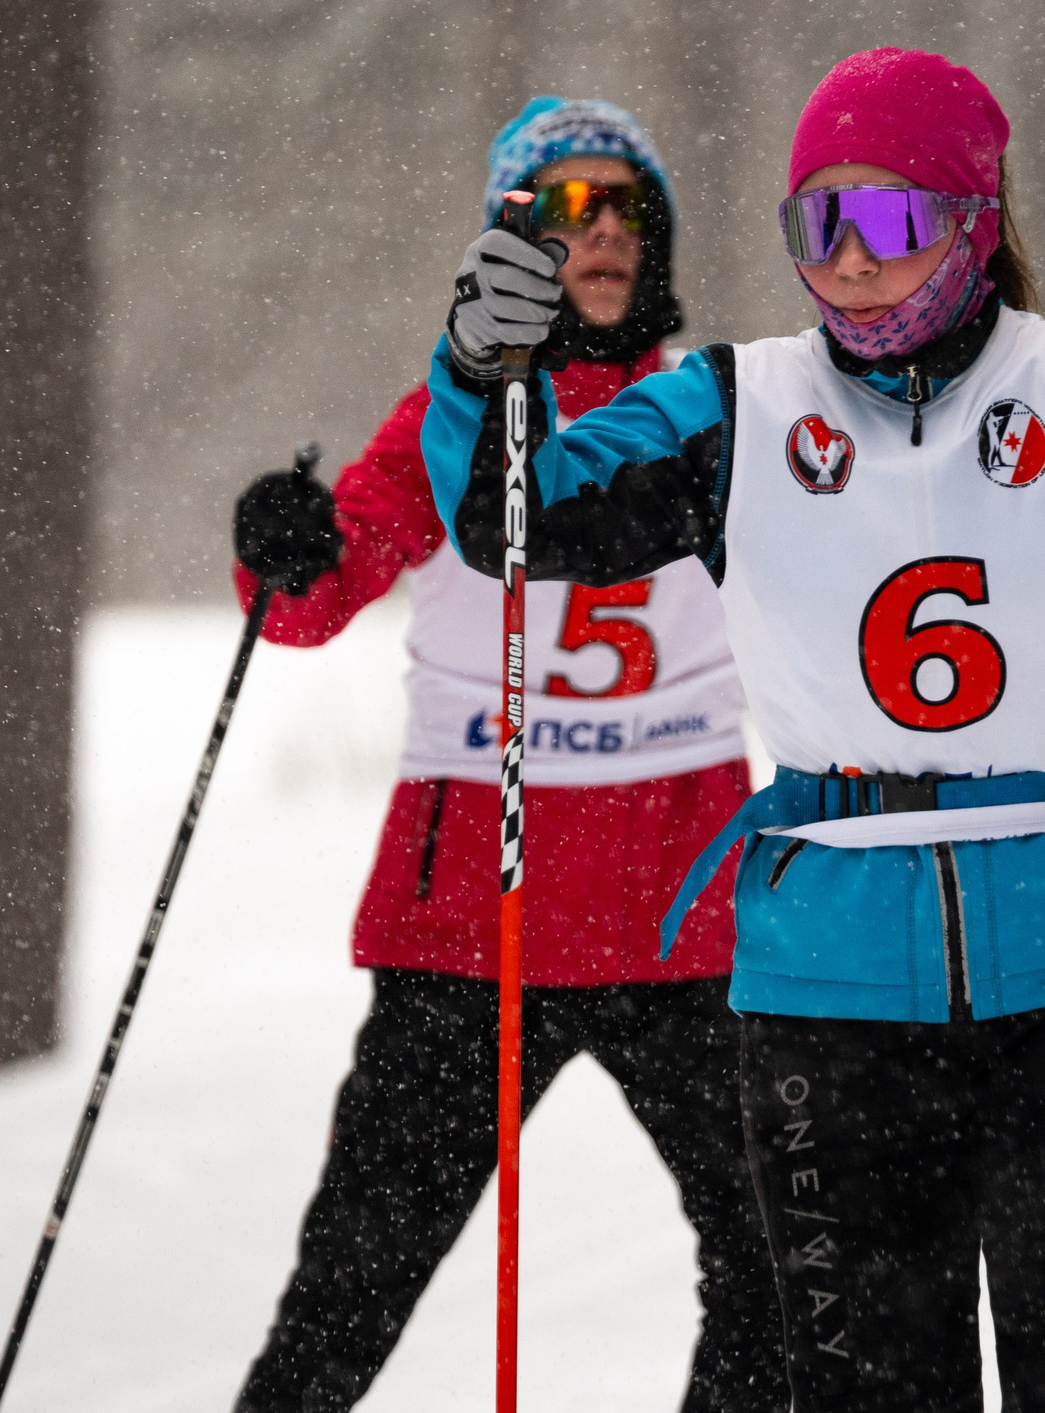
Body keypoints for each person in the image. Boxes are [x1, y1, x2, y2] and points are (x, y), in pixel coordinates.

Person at [425, 49, 1045, 1411]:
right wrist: (479, 366)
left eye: (892, 222)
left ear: (973, 222)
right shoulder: (735, 403)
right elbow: (523, 521)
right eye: (818, 224)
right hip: (828, 996)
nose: (850, 262)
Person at [227, 98, 783, 1413]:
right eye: (561, 208)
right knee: (349, 1287)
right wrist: (281, 543)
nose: (597, 233)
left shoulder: (717, 411)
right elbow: (307, 603)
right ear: (506, 240)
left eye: (625, 206)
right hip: (477, 924)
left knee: (778, 1278)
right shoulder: (449, 419)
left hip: (687, 916)